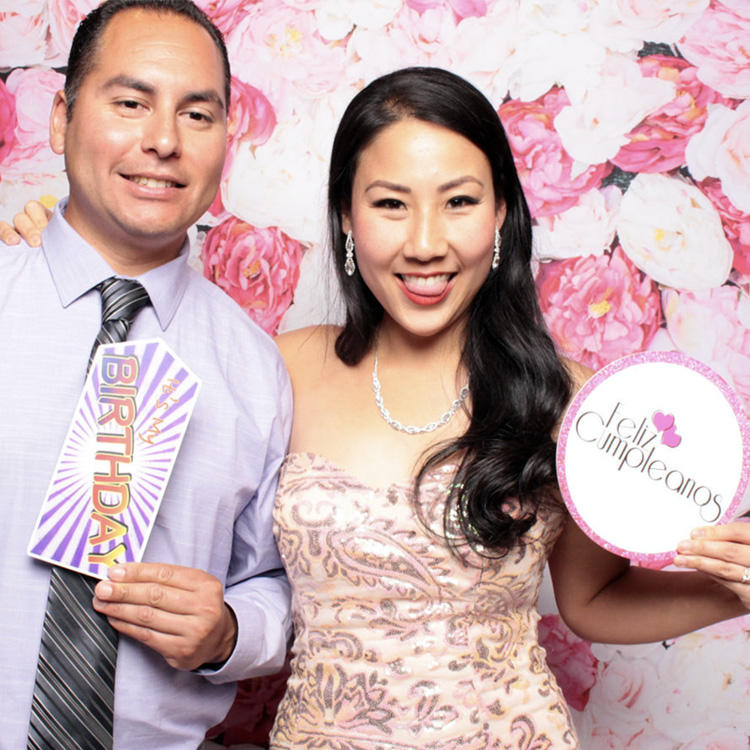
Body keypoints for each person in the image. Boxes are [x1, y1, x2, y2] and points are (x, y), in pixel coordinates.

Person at [7, 67, 750, 748]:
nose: (425, 243)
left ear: (500, 217)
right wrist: (61, 255)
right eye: (390, 204)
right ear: (345, 221)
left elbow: (593, 604)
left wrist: (734, 591)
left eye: (459, 202)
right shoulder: (276, 368)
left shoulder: (574, 400)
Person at [0, 1, 291, 748]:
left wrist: (230, 631)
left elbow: (275, 582)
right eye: (131, 103)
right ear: (62, 119)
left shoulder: (256, 370)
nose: (162, 141)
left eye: (197, 115)